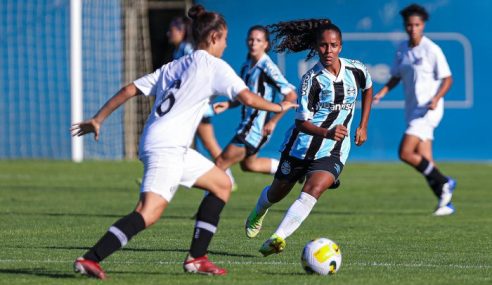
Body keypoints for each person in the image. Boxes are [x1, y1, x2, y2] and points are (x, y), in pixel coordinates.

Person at [70, 4, 297, 279]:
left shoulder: (175, 65)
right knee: (148, 213)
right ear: (214, 37)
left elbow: (130, 89)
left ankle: (197, 258)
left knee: (222, 183)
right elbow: (248, 98)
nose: (226, 45)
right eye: (224, 39)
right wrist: (280, 106)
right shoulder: (215, 66)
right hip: (167, 147)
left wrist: (98, 118)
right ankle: (91, 258)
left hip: (169, 144)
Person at [244, 19, 373, 256]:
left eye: (333, 45)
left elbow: (368, 88)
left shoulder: (356, 69)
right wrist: (327, 132)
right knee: (277, 192)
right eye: (323, 46)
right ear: (316, 47)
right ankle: (259, 210)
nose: (328, 51)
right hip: (300, 147)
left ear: (341, 46)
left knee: (314, 189)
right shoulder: (311, 79)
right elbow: (301, 122)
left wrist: (363, 125)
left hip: (333, 150)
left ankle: (277, 237)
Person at [373, 4, 456, 216]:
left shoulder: (432, 49)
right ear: (405, 26)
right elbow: (396, 76)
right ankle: (444, 201)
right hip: (412, 109)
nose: (413, 28)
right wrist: (382, 92)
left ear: (423, 25)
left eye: (417, 25)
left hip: (428, 110)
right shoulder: (402, 48)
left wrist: (437, 98)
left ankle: (445, 181)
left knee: (405, 152)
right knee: (425, 158)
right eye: (409, 25)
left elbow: (448, 79)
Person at [215, 25, 297, 177]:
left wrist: (273, 121)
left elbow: (291, 95)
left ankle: (215, 196)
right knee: (249, 165)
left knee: (220, 163)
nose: (253, 43)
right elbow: (246, 97)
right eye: (251, 39)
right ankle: (294, 170)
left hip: (255, 129)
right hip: (247, 124)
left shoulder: (267, 67)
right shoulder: (246, 66)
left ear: (265, 44)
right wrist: (228, 104)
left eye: (258, 40)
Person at [168, 16, 236, 188]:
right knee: (204, 143)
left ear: (182, 31)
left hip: (195, 106)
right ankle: (169, 175)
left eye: (172, 30)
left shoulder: (190, 50)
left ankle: (227, 179)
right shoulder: (180, 49)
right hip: (189, 106)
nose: (169, 33)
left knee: (209, 144)